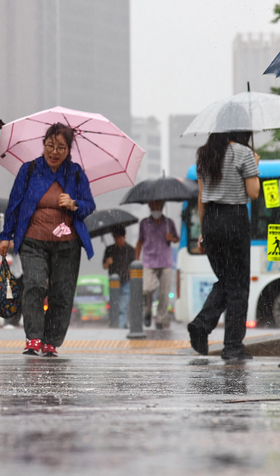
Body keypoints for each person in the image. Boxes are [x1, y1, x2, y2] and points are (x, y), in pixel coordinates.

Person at [0, 122, 97, 357]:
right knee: (34, 285)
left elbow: (89, 205)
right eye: (50, 145)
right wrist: (5, 236)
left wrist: (74, 203)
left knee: (62, 292)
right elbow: (14, 205)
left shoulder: (75, 173)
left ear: (69, 150)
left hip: (67, 244)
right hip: (33, 241)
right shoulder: (29, 170)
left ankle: (51, 341)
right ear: (43, 144)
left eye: (61, 148)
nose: (54, 152)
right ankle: (34, 337)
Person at [186, 131, 260, 361]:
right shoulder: (243, 153)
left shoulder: (205, 154)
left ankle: (202, 326)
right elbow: (253, 192)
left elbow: (201, 197)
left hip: (210, 221)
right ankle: (232, 346)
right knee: (238, 286)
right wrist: (255, 165)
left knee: (228, 281)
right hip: (234, 220)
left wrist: (202, 234)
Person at [135, 200, 180, 328]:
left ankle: (161, 319)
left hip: (165, 261)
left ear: (162, 206)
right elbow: (139, 241)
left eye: (158, 205)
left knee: (164, 293)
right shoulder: (144, 223)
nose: (156, 208)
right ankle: (147, 311)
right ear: (150, 206)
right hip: (149, 261)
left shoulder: (169, 223)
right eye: (153, 205)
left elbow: (177, 238)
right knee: (147, 288)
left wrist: (171, 238)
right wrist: (136, 259)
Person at [101, 227, 135, 327]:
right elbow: (104, 266)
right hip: (114, 283)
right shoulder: (109, 249)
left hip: (126, 281)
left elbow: (135, 265)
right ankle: (118, 324)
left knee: (122, 306)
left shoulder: (130, 250)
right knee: (114, 305)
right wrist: (108, 262)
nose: (118, 240)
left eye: (119, 238)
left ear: (124, 237)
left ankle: (120, 326)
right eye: (116, 238)